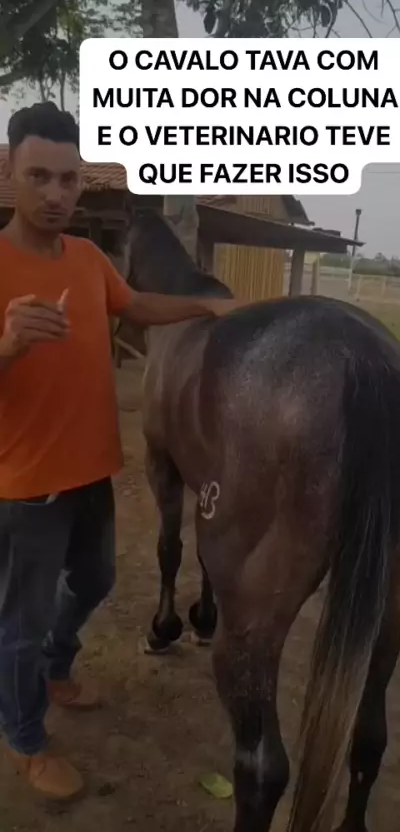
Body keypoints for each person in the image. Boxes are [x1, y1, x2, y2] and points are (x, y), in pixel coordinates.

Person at [0, 102, 241, 802]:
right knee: (19, 623)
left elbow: (133, 305)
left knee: (96, 580)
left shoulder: (87, 258)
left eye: (68, 178)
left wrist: (208, 307)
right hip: (26, 486)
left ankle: (56, 666)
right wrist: (8, 346)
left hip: (90, 472)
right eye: (39, 175)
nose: (56, 193)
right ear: (11, 170)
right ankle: (25, 738)